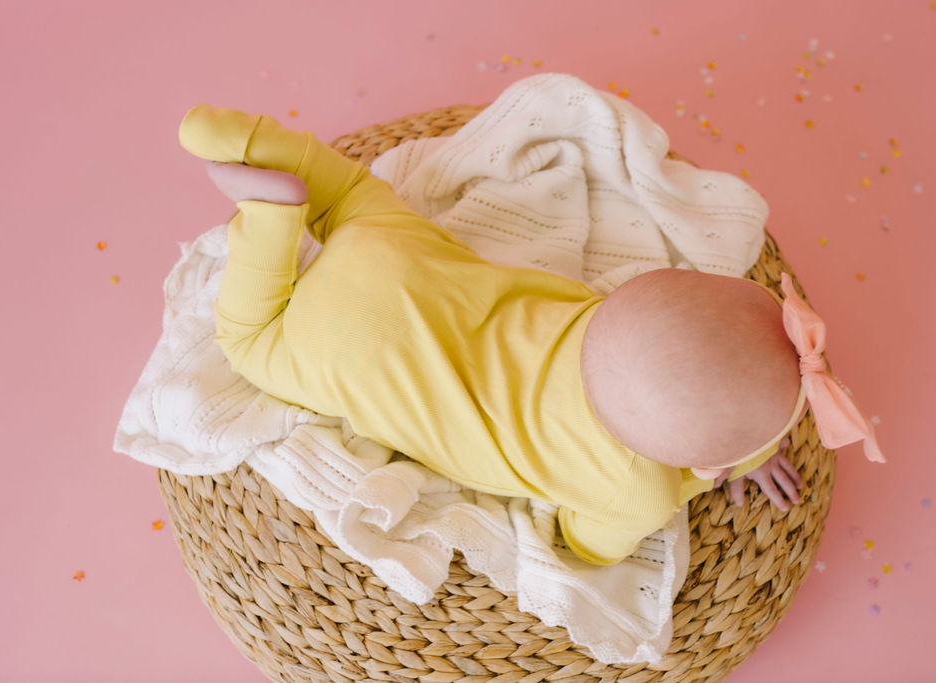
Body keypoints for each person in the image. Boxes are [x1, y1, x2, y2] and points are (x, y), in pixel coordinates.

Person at [178, 104, 884, 566]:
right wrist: (730, 464)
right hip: (346, 344)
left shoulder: (603, 314)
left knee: (358, 199)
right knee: (250, 340)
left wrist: (746, 430)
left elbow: (715, 360)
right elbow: (586, 548)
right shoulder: (635, 493)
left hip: (401, 265)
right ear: (706, 461)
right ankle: (265, 221)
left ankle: (258, 147)